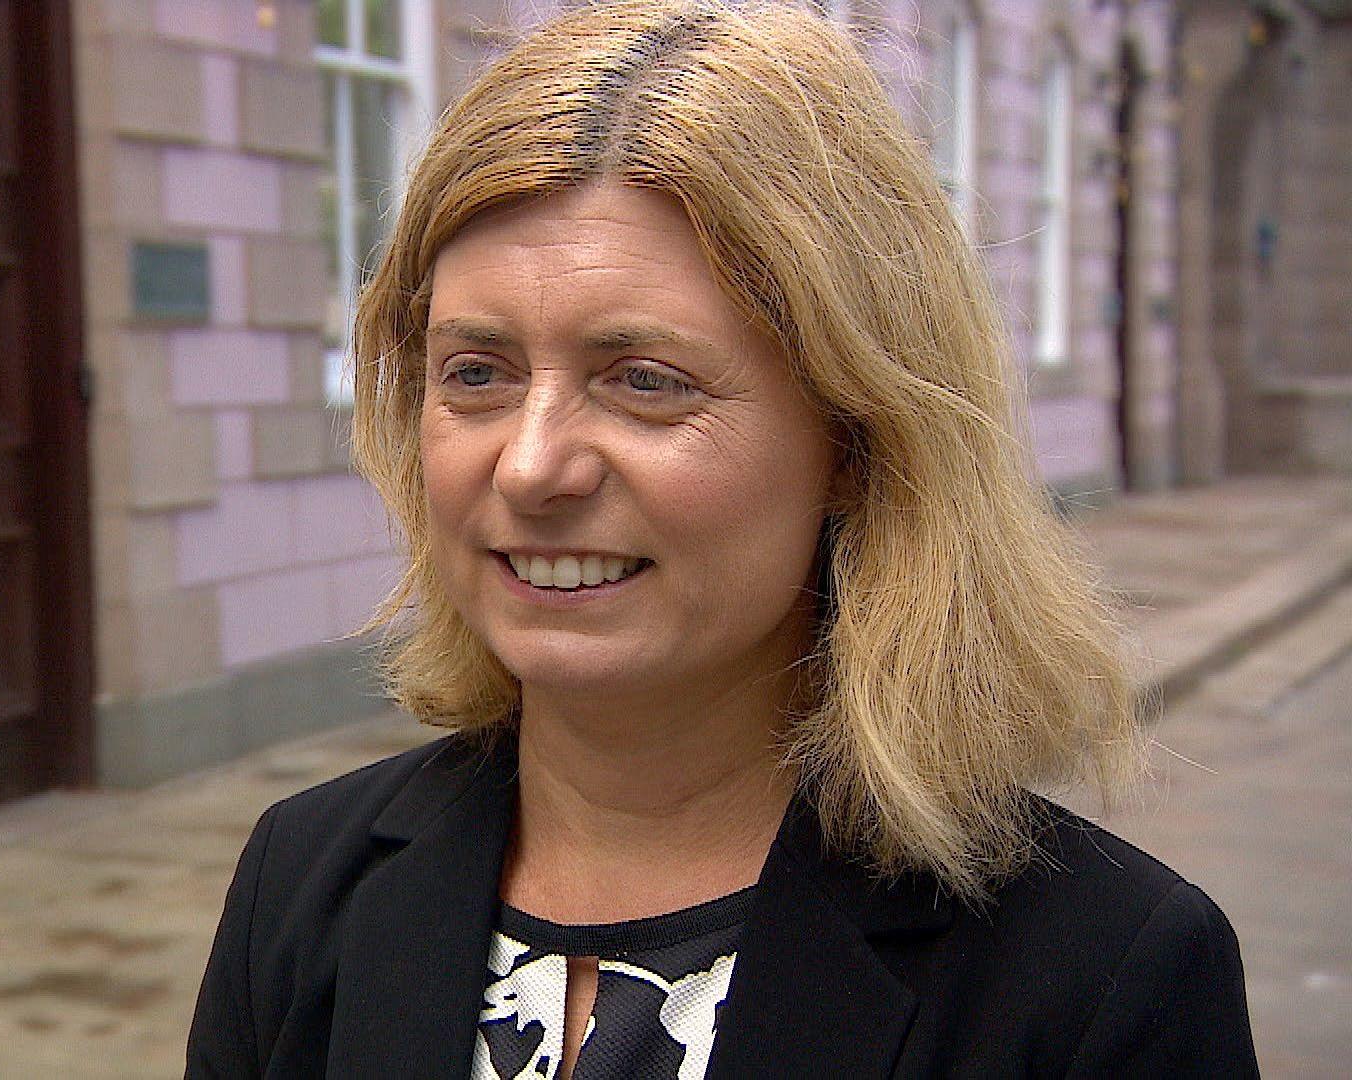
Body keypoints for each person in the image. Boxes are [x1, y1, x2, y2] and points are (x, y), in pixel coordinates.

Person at [186, 2, 1257, 1076]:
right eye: (476, 373)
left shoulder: (1105, 977)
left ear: (854, 436)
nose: (530, 465)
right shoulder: (303, 884)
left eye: (644, 382)